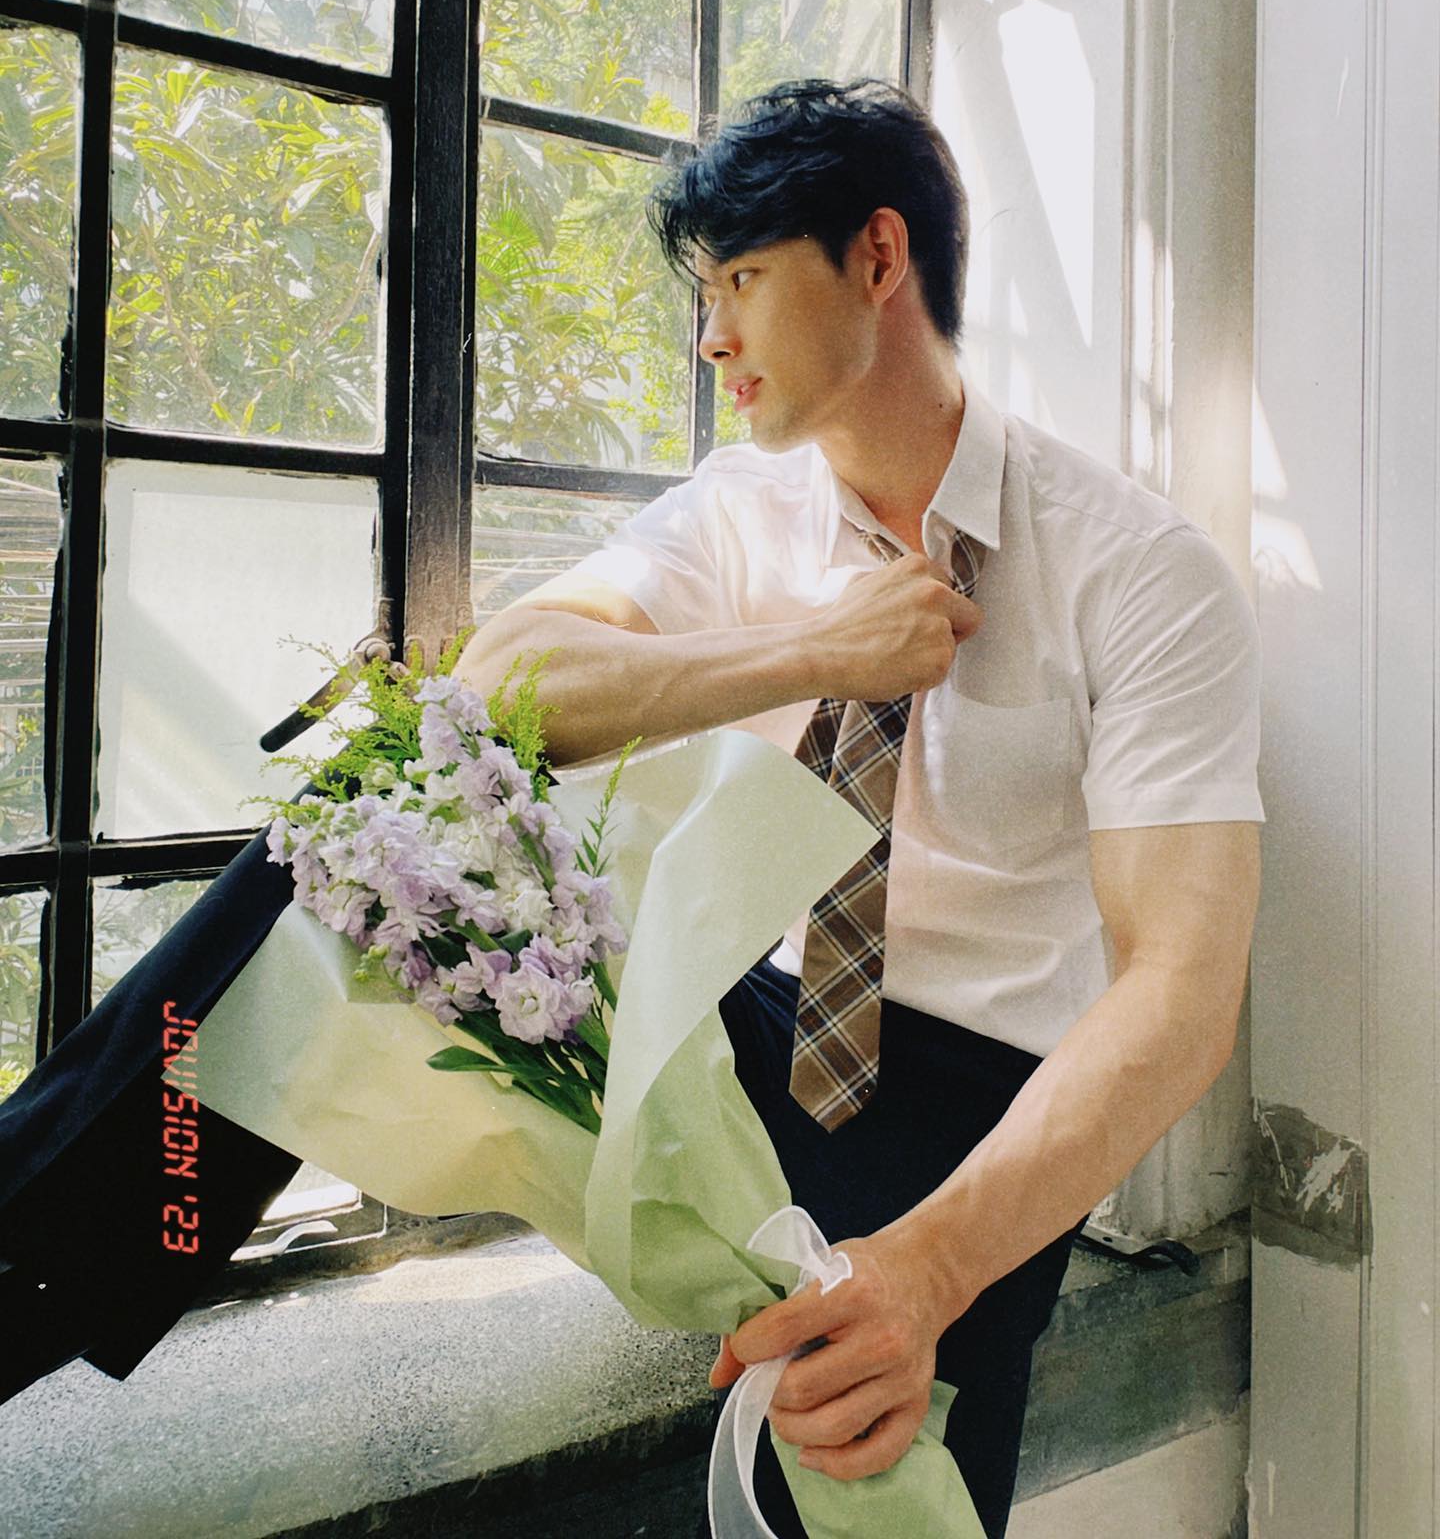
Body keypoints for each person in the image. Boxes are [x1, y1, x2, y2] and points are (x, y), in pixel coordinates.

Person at [456, 76, 1263, 1538]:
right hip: (763, 1020)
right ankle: (84, 1223)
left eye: (743, 281)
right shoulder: (739, 509)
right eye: (703, 294)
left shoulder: (1142, 572)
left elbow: (1184, 988)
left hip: (980, 1096)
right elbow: (499, 682)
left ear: (878, 258)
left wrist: (930, 1269)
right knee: (350, 860)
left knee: (872, 1479)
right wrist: (815, 651)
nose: (711, 338)